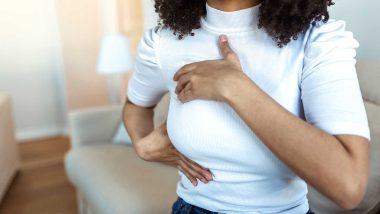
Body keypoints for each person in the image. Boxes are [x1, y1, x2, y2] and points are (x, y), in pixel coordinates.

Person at [122, 0, 371, 213]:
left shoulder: (318, 40)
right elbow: (136, 106)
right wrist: (142, 144)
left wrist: (235, 87)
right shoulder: (163, 42)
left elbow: (348, 185)